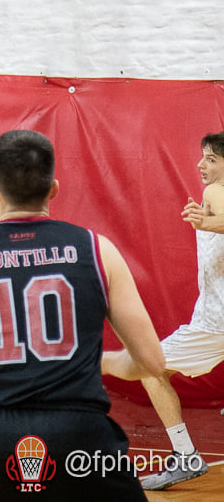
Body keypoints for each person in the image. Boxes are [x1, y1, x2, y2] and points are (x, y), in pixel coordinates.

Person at [0, 130, 165, 500]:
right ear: (54, 188)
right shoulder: (97, 249)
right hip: (82, 438)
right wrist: (99, 363)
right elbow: (152, 362)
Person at [102, 131, 224, 490]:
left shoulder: (215, 191)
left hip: (215, 324)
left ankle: (185, 456)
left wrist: (209, 223)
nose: (202, 165)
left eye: (212, 159)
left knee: (149, 367)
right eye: (202, 157)